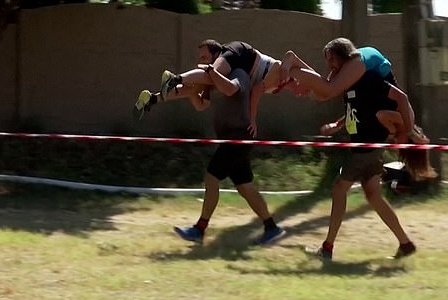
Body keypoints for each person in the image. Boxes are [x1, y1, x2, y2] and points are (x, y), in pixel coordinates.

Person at [142, 61, 286, 245]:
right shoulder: (212, 79)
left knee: (211, 177)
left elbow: (231, 89)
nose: (201, 61)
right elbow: (200, 104)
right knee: (245, 187)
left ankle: (199, 229)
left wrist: (210, 72)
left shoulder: (238, 72)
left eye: (205, 56)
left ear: (217, 56)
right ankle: (272, 228)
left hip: (238, 137)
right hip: (231, 138)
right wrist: (158, 98)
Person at [282, 38, 436, 181]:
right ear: (409, 142)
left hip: (364, 60)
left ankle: (295, 62)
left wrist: (338, 124)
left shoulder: (396, 125)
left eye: (331, 59)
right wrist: (406, 131)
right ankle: (291, 68)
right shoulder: (405, 119)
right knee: (329, 90)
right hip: (368, 60)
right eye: (400, 144)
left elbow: (363, 108)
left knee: (323, 94)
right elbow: (398, 101)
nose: (396, 142)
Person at [305, 67, 418, 261]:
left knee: (339, 188)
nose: (331, 68)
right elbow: (356, 111)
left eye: (333, 61)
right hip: (370, 149)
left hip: (365, 150)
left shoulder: (369, 79)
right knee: (373, 194)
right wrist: (337, 125)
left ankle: (327, 248)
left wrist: (408, 130)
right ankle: (405, 243)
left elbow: (397, 99)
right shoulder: (350, 85)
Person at [134, 39, 307, 136]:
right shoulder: (283, 74)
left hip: (239, 68)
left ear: (214, 53)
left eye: (204, 57)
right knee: (211, 74)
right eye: (201, 57)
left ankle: (153, 98)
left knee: (201, 103)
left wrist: (192, 90)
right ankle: (174, 78)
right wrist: (252, 120)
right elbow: (290, 57)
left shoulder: (279, 85)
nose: (201, 61)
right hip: (243, 56)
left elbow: (201, 104)